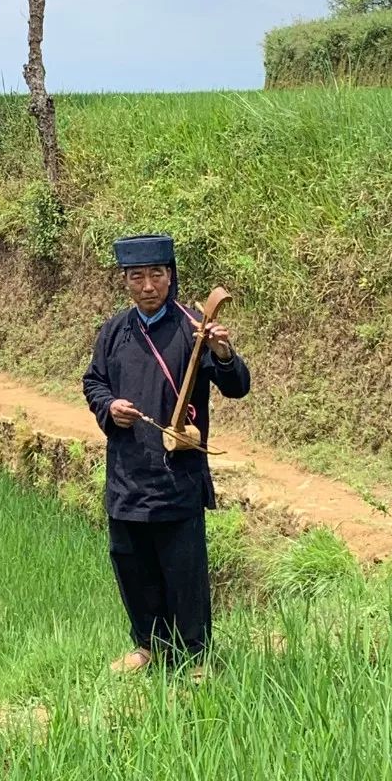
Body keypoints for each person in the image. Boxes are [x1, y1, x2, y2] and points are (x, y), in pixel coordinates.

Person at [82, 233, 250, 675]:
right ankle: (149, 647)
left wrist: (223, 352)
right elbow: (94, 382)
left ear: (170, 277)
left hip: (177, 475)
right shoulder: (115, 331)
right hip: (127, 473)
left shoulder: (194, 330)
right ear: (126, 282)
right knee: (132, 563)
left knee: (184, 569)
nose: (148, 285)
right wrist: (108, 406)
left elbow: (237, 385)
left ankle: (196, 657)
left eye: (157, 275)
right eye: (137, 277)